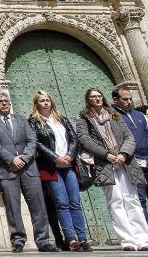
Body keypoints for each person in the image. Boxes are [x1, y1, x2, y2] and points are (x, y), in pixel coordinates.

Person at [76, 88, 148, 250]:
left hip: (125, 162)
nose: (97, 99)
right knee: (115, 201)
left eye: (99, 96)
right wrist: (106, 154)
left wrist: (123, 154)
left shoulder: (114, 114)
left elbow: (128, 136)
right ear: (88, 100)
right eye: (93, 97)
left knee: (132, 199)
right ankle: (127, 240)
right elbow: (84, 139)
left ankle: (142, 239)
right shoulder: (83, 118)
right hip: (104, 164)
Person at [0, 91, 55, 253]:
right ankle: (18, 240)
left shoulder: (22, 120)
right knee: (12, 207)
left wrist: (23, 158)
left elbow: (32, 140)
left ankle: (43, 240)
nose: (4, 103)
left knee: (38, 205)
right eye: (0, 101)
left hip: (29, 168)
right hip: (7, 170)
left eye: (6, 100)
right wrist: (12, 159)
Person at [28, 90, 90, 252]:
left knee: (75, 202)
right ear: (36, 104)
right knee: (62, 203)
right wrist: (55, 157)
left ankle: (82, 238)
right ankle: (71, 239)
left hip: (68, 165)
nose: (46, 103)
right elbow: (37, 143)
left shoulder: (61, 119)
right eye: (42, 101)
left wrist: (70, 155)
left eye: (48, 100)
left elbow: (74, 138)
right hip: (50, 167)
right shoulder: (34, 121)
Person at [111, 86, 148, 224]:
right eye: (125, 99)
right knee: (140, 199)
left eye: (130, 99)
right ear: (115, 100)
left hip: (147, 159)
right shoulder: (113, 116)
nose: (129, 102)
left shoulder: (140, 115)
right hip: (131, 162)